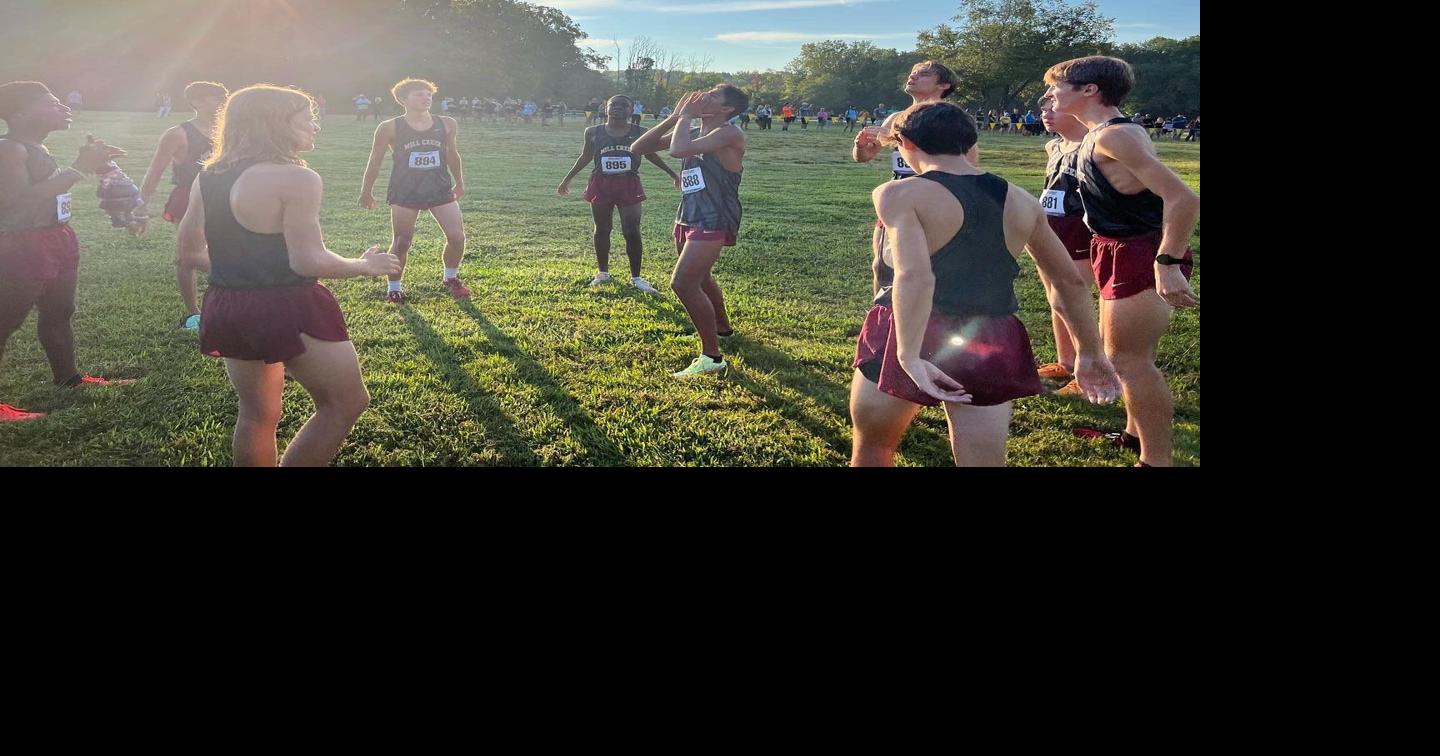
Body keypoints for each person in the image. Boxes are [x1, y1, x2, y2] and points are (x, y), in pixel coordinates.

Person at [849, 101, 1120, 466]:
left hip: (907, 327)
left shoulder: (898, 193)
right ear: (968, 141)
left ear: (906, 143)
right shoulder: (1021, 200)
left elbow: (916, 276)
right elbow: (1069, 282)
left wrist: (908, 356)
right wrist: (1089, 351)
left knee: (874, 447)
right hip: (989, 336)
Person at [176, 84, 401, 466]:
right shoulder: (296, 178)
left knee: (256, 415)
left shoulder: (209, 175)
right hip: (287, 304)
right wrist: (365, 265)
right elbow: (307, 262)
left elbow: (188, 253)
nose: (315, 125)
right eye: (307, 117)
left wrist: (244, 270)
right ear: (277, 123)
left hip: (227, 302)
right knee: (345, 402)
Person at [1044, 55, 1200, 467]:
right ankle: (1134, 437)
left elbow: (1184, 198)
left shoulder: (1116, 136)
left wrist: (1166, 264)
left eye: (1057, 87)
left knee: (1129, 361)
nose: (1050, 95)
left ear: (1089, 90)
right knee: (1125, 356)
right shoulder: (1096, 135)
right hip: (1115, 248)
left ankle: (1155, 461)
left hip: (1139, 252)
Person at [1, 81, 135, 423]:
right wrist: (79, 165)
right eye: (51, 104)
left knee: (60, 311)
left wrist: (97, 166)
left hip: (58, 237)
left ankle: (69, 379)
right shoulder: (10, 149)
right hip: (22, 244)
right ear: (18, 114)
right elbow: (17, 203)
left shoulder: (37, 147)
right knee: (5, 321)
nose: (63, 108)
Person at [631, 85, 749, 378]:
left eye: (712, 96)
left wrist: (684, 116)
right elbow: (639, 148)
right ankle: (720, 328)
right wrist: (674, 117)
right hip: (690, 214)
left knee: (683, 283)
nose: (702, 98)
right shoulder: (693, 130)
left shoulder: (728, 133)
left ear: (727, 109)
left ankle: (712, 358)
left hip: (714, 217)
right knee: (701, 278)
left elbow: (678, 151)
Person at [359, 78, 470, 303]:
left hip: (439, 187)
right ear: (403, 99)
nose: (426, 98)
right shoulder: (390, 127)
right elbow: (375, 160)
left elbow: (452, 155)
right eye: (419, 94)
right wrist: (366, 191)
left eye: (428, 94)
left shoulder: (447, 123)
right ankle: (394, 288)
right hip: (405, 190)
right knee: (402, 242)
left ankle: (451, 278)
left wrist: (459, 182)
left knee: (457, 237)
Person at [557, 94, 680, 294]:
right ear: (606, 108)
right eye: (614, 105)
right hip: (601, 184)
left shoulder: (641, 132)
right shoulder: (593, 132)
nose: (618, 108)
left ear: (632, 110)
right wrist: (567, 179)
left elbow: (650, 155)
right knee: (602, 229)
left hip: (628, 184)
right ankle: (603, 273)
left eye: (624, 105)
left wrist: (672, 174)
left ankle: (637, 278)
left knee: (632, 231)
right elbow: (586, 156)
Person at [134, 80, 229, 330]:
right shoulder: (178, 133)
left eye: (223, 97)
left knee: (225, 251)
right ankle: (194, 315)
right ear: (196, 102)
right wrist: (141, 206)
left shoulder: (231, 130)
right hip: (188, 197)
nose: (222, 102)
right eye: (215, 98)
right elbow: (155, 171)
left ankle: (228, 302)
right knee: (187, 256)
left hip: (226, 197)